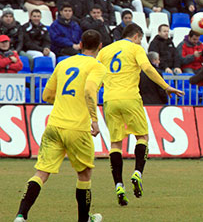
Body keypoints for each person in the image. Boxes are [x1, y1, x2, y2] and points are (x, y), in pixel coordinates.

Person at [13, 29, 106, 222]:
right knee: (84, 174)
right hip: (77, 128)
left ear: (80, 45)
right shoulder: (97, 66)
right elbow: (89, 90)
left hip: (54, 125)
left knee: (41, 173)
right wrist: (94, 120)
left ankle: (21, 215)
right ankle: (84, 219)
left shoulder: (64, 63)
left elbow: (47, 95)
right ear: (100, 47)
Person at [97, 23, 183, 206]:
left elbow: (97, 75)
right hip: (130, 98)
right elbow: (148, 69)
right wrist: (166, 86)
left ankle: (118, 185)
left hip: (110, 99)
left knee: (115, 143)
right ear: (136, 36)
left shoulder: (105, 51)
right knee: (142, 137)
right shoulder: (135, 48)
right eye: (141, 39)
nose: (141, 42)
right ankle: (137, 173)